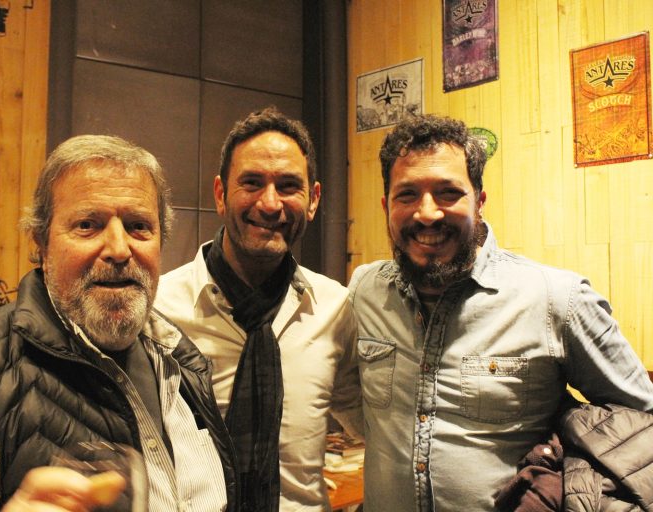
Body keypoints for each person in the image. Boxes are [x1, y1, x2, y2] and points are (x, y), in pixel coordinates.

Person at [0, 135, 236, 512]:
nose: (119, 249)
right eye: (88, 224)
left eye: (138, 226)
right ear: (41, 243)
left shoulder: (179, 357)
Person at [348, 113, 653, 512]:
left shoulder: (558, 300)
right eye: (407, 195)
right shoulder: (364, 290)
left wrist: (570, 480)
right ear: (386, 205)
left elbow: (641, 426)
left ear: (480, 201)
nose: (427, 213)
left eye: (448, 192)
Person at [154, 107, 362, 511]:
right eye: (251, 183)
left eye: (288, 186)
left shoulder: (334, 309)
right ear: (220, 194)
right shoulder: (159, 310)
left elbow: (373, 421)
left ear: (314, 200)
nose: (270, 204)